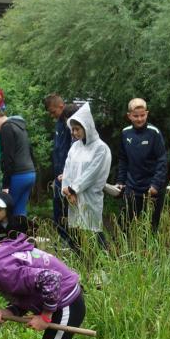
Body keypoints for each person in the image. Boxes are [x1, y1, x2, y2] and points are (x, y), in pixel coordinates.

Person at [60, 101, 112, 246]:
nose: (74, 133)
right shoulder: (75, 147)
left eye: (77, 129)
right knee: (77, 234)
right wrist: (67, 190)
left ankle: (103, 257)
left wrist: (73, 189)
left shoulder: (100, 148)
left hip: (90, 197)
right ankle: (79, 258)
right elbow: (68, 169)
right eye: (72, 130)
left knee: (93, 231)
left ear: (86, 127)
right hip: (73, 198)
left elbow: (92, 174)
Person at [116, 98, 167, 228]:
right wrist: (121, 181)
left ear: (147, 114)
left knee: (151, 228)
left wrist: (155, 185)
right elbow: (123, 159)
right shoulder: (125, 133)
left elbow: (162, 160)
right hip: (132, 188)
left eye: (142, 115)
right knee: (123, 226)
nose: (139, 119)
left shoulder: (154, 133)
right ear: (129, 116)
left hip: (151, 189)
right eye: (135, 116)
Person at [0, 107, 36, 218]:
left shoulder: (6, 128)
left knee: (5, 211)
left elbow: (7, 158)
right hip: (30, 174)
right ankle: (22, 230)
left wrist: (5, 185)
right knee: (20, 211)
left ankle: (7, 230)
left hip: (18, 176)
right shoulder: (19, 125)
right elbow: (30, 150)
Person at [45, 93, 73, 241]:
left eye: (53, 112)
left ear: (61, 106)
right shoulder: (58, 124)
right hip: (58, 177)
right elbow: (58, 151)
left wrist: (67, 174)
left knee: (66, 213)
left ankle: (71, 243)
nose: (52, 116)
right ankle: (62, 241)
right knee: (58, 213)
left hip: (68, 177)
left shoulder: (70, 124)